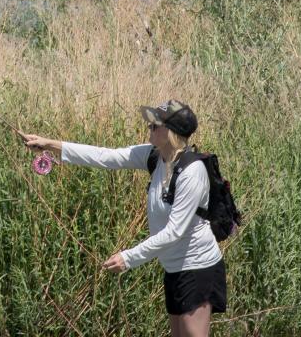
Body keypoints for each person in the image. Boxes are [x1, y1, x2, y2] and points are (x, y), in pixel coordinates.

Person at [22, 100, 226, 337]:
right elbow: (105, 157)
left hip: (197, 267)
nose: (149, 128)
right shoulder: (154, 156)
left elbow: (174, 232)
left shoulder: (192, 172)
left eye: (154, 125)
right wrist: (50, 144)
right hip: (173, 267)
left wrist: (128, 258)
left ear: (171, 132)